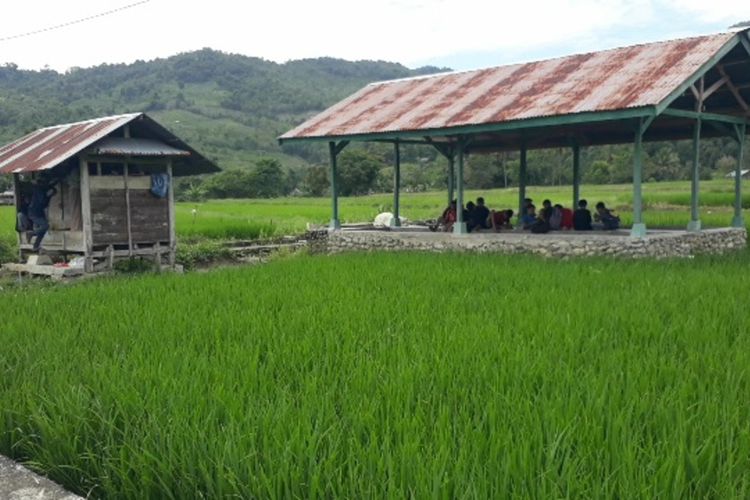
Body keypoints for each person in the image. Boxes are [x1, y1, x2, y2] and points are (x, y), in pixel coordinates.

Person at [28, 177, 58, 252]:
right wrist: (49, 195)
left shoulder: (43, 191)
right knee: (45, 226)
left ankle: (35, 246)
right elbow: (42, 202)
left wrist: (50, 194)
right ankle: (32, 233)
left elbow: (44, 204)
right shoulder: (39, 190)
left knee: (43, 231)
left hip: (39, 212)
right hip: (34, 212)